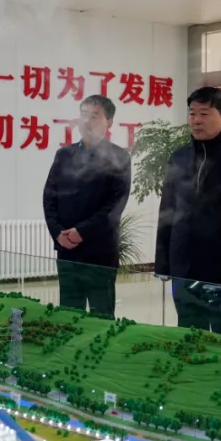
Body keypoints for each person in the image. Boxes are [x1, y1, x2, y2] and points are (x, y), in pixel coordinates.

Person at [155, 86, 221, 338]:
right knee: (188, 332)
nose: (196, 120)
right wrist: (163, 261)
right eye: (192, 113)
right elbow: (168, 208)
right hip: (183, 262)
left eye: (204, 114)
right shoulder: (179, 156)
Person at [42, 95, 131, 318]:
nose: (87, 120)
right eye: (83, 114)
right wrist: (57, 232)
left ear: (109, 122)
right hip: (67, 249)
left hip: (100, 251)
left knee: (102, 316)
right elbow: (49, 197)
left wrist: (81, 232)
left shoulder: (119, 157)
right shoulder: (64, 154)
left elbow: (114, 206)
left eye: (94, 115)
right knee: (69, 315)